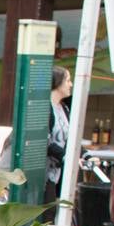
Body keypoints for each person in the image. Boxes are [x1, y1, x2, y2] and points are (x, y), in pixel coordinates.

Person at [45, 66, 72, 202]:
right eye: (67, 80)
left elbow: (69, 138)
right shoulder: (45, 108)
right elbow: (45, 141)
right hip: (44, 173)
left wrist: (85, 155)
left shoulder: (64, 108)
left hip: (57, 173)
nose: (70, 84)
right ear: (57, 82)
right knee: (48, 213)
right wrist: (65, 156)